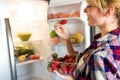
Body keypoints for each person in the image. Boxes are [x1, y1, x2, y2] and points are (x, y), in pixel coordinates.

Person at [53, 0, 120, 80]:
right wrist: (67, 39)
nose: (84, 10)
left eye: (89, 6)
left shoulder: (101, 55)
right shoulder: (112, 39)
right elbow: (84, 61)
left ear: (108, 11)